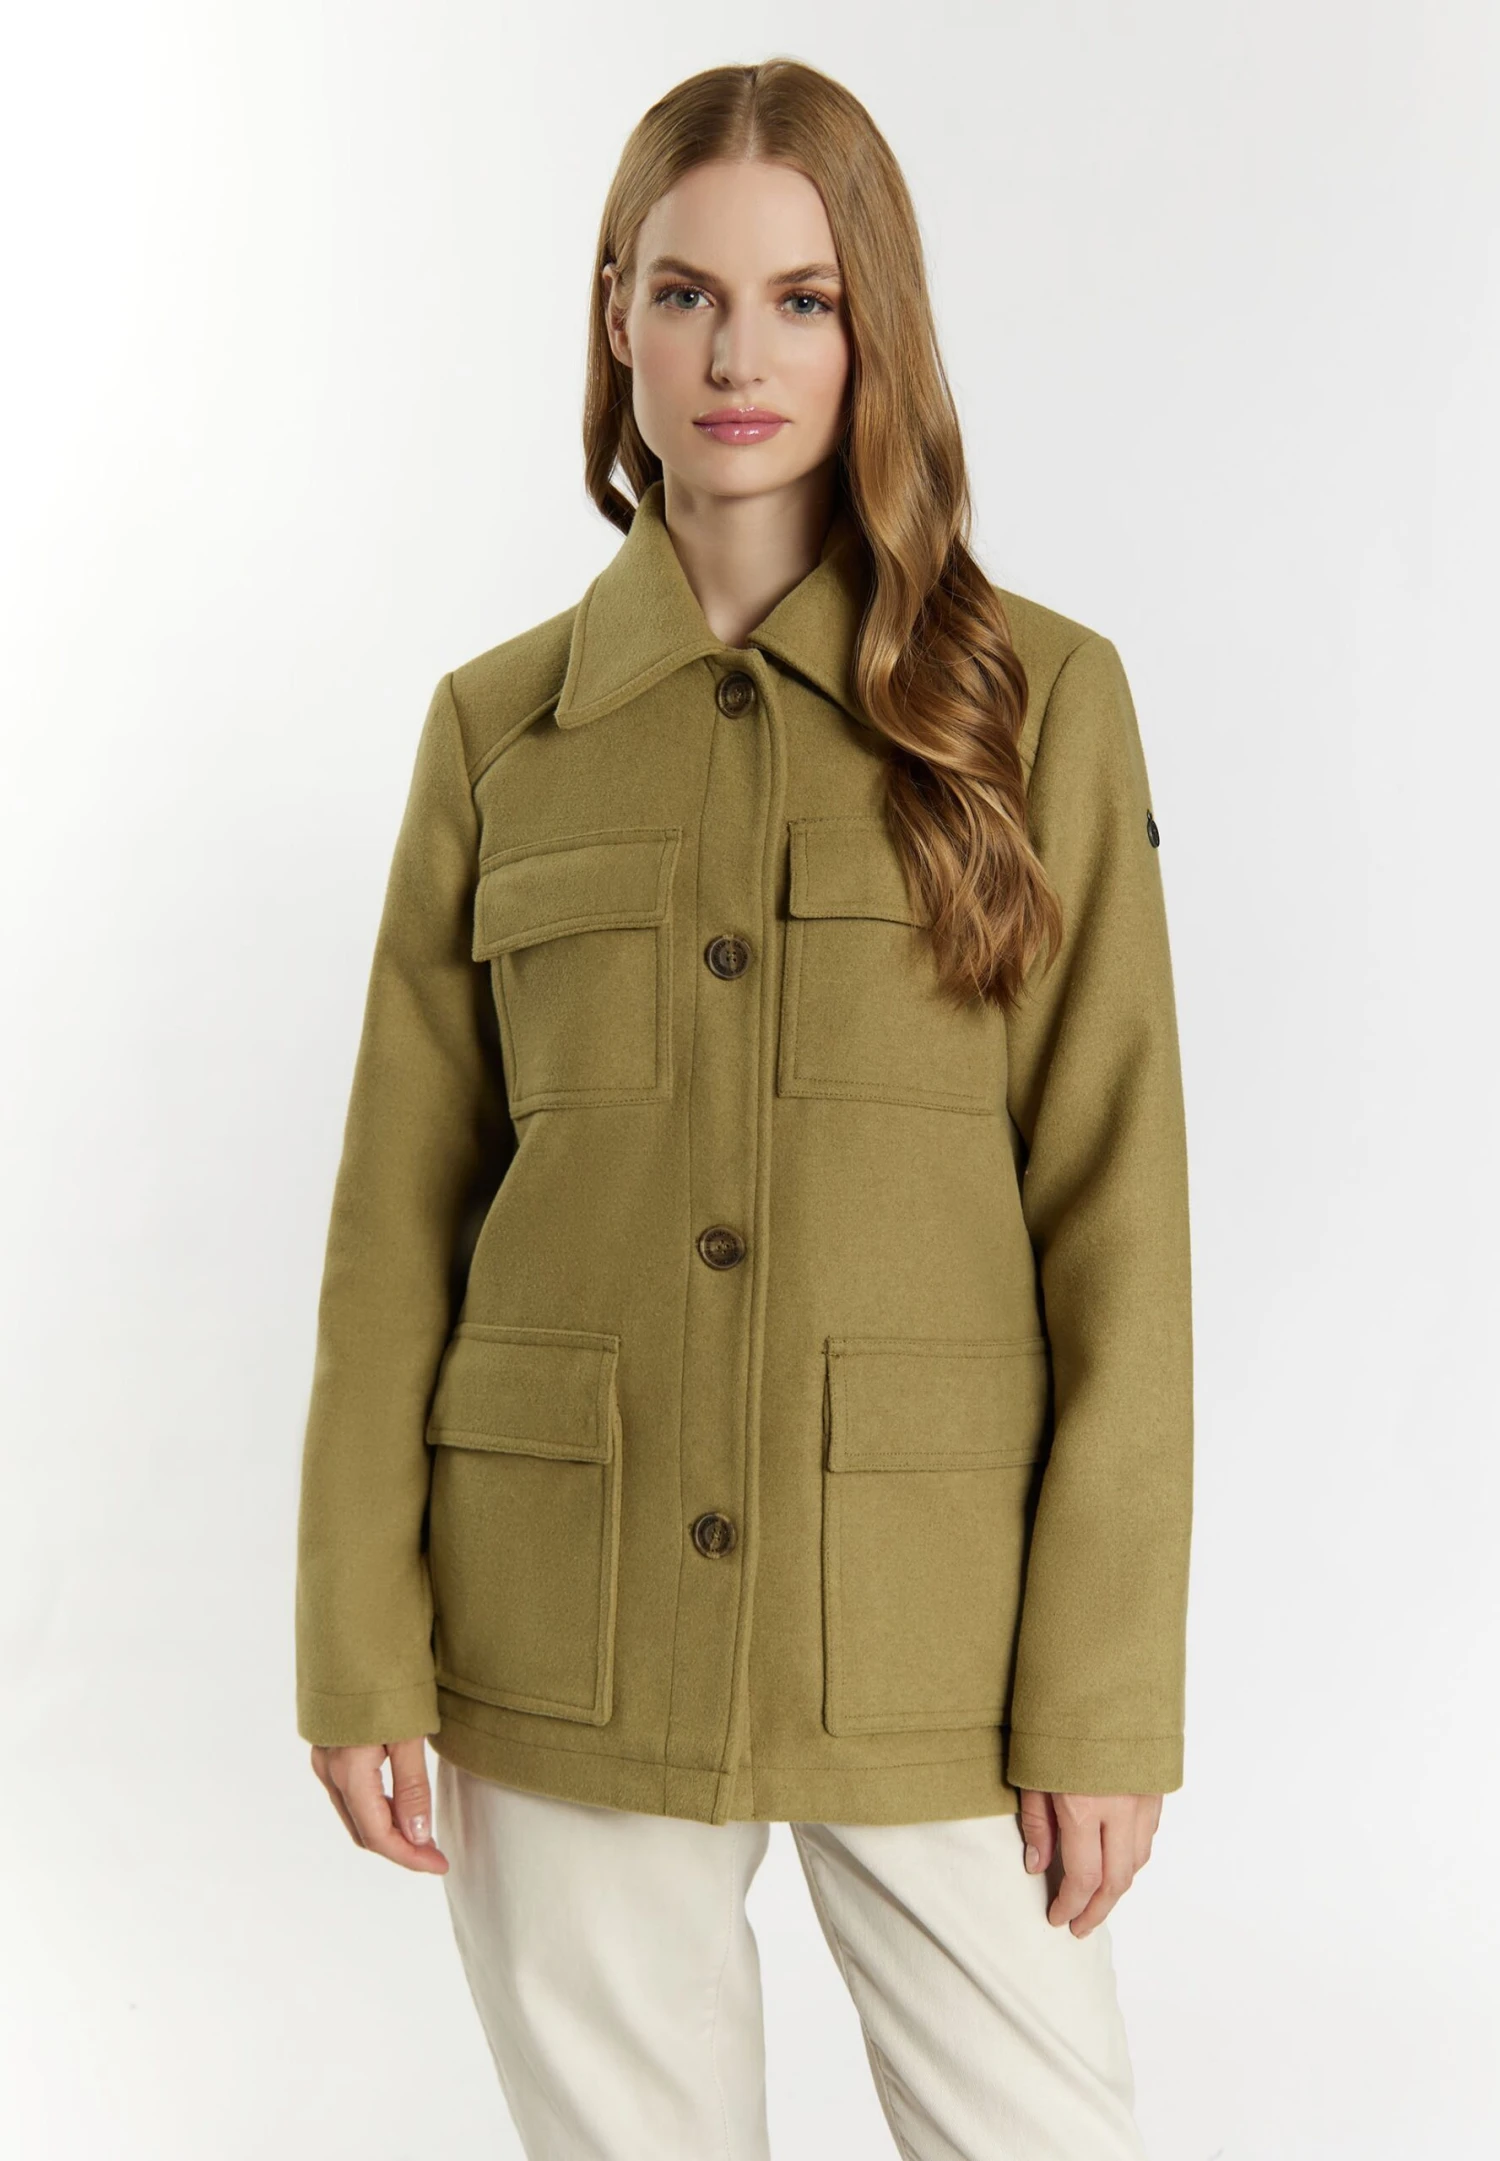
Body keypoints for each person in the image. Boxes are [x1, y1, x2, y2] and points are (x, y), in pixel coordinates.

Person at [294, 54, 1193, 2161]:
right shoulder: (496, 732)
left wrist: (1101, 1692)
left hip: (934, 1623)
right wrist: (357, 1640)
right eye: (687, 293)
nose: (737, 357)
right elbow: (397, 1223)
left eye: (803, 299)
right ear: (615, 314)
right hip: (561, 1602)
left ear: (875, 329)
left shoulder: (1038, 705)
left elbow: (1118, 1212)